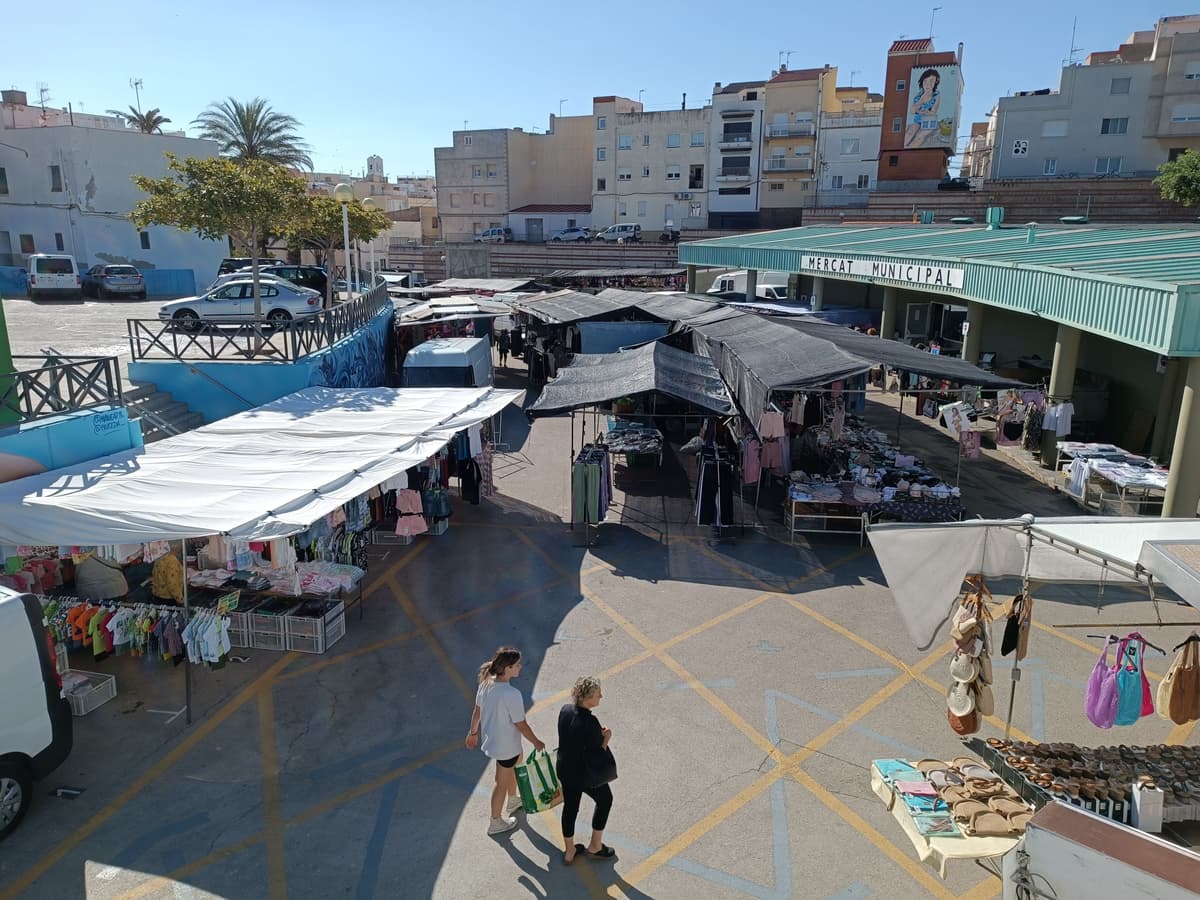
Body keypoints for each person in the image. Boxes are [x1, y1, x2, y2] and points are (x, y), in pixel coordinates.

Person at [465, 647, 545, 835]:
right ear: (507, 668)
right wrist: (536, 742)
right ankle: (495, 821)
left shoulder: (485, 683)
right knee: (501, 782)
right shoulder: (511, 694)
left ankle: (513, 799)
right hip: (505, 745)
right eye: (517, 665)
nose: (520, 668)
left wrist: (473, 733)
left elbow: (477, 712)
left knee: (517, 763)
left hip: (496, 740)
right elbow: (521, 724)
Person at [557, 676, 617, 864]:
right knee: (605, 800)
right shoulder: (590, 722)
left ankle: (569, 851)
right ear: (588, 698)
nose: (601, 696)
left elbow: (573, 737)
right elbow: (598, 752)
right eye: (598, 694)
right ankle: (595, 846)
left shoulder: (565, 711)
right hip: (585, 774)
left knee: (570, 808)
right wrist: (606, 737)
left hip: (566, 769)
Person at [905, 68, 942, 149]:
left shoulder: (936, 96)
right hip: (917, 121)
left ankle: (910, 151)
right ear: (922, 82)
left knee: (920, 136)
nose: (928, 84)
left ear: (936, 82)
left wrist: (922, 111)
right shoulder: (918, 96)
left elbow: (933, 112)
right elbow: (912, 110)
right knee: (910, 132)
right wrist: (921, 101)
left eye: (931, 81)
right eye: (925, 81)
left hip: (929, 122)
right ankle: (904, 149)